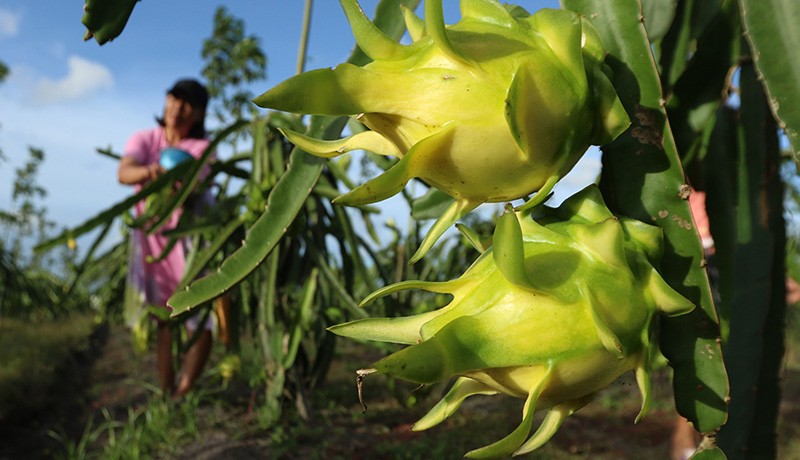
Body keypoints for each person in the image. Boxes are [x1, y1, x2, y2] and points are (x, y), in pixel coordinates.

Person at [118, 78, 215, 398]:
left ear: (199, 114)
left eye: (187, 103)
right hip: (152, 242)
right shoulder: (145, 138)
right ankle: (166, 393)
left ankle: (184, 389)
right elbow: (124, 173)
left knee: (199, 316)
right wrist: (153, 172)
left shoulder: (202, 148)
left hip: (190, 242)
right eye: (174, 99)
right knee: (164, 319)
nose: (178, 108)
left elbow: (195, 185)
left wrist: (178, 181)